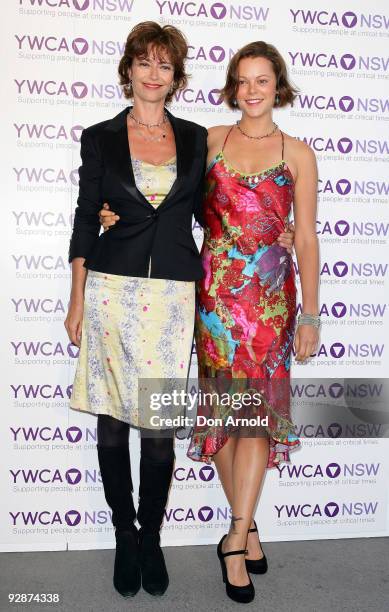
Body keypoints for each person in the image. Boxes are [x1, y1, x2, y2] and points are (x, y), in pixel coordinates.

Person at [96, 33, 298, 601]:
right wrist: (109, 219)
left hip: (227, 299)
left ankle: (196, 538)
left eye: (262, 80)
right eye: (242, 79)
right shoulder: (151, 139)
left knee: (211, 417)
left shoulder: (254, 146)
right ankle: (157, 531)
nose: (251, 90)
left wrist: (282, 242)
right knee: (168, 419)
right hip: (162, 294)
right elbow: (126, 207)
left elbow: (281, 222)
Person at [64, 22, 208, 598]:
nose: (154, 74)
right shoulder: (99, 136)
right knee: (112, 416)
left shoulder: (197, 138)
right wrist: (76, 295)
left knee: (159, 426)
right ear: (129, 70)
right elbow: (83, 214)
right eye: (144, 63)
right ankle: (125, 534)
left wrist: (273, 231)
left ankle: (151, 539)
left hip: (172, 293)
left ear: (175, 77)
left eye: (165, 65)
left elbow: (210, 211)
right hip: (111, 287)